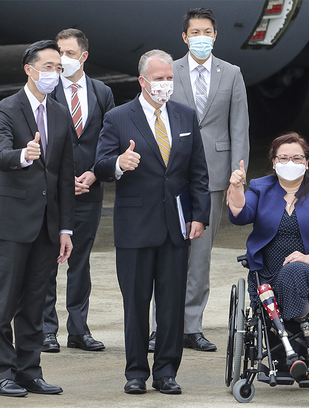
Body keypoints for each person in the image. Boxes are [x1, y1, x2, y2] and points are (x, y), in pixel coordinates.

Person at [94, 49, 210, 395]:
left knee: (171, 304)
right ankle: (135, 372)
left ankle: (166, 372)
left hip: (176, 226)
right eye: (159, 78)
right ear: (142, 81)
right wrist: (119, 163)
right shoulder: (118, 117)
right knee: (136, 303)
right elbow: (100, 165)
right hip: (135, 226)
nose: (165, 84)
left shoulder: (185, 116)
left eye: (169, 78)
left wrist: (199, 216)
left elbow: (198, 172)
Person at [149, 7, 250, 353]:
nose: (201, 38)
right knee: (167, 252)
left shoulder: (231, 73)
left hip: (216, 176)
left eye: (207, 32)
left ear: (215, 36)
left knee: (201, 255)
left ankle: (191, 326)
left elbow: (239, 126)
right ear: (184, 37)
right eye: (195, 32)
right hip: (173, 173)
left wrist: (238, 173)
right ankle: (160, 327)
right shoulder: (170, 71)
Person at [0, 40, 75, 397]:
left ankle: (29, 371)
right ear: (29, 70)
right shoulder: (5, 108)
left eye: (58, 67)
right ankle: (0, 374)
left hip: (48, 225)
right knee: (4, 299)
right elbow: (0, 152)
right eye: (48, 66)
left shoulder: (60, 113)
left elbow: (64, 175)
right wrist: (24, 154)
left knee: (36, 301)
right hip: (12, 222)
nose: (54, 73)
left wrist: (65, 228)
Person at [227, 132, 309, 377]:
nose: (290, 163)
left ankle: (296, 356)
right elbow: (240, 214)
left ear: (307, 162)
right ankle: (308, 358)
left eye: (297, 158)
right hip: (267, 275)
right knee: (288, 275)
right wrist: (237, 188)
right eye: (283, 158)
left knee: (293, 271)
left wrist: (308, 258)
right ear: (274, 162)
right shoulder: (260, 188)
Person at [42, 28, 115, 353]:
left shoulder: (101, 92)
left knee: (80, 262)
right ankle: (46, 329)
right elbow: (39, 138)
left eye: (69, 53)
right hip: (52, 192)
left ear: (83, 56)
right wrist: (60, 178)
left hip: (89, 190)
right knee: (47, 259)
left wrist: (95, 173)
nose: (63, 59)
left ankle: (78, 329)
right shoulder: (48, 90)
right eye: (59, 53)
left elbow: (109, 139)